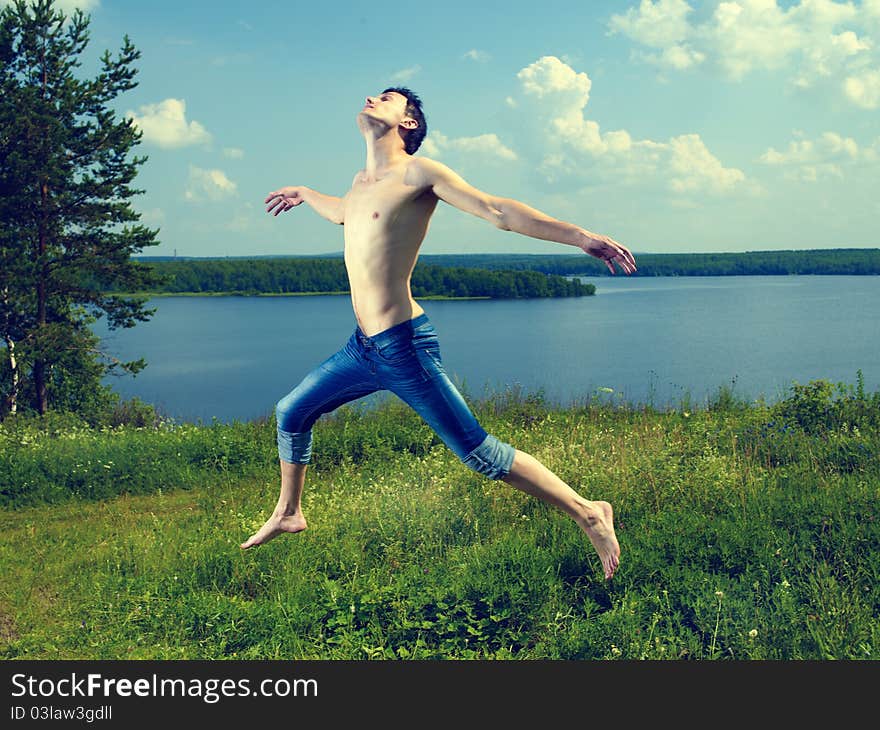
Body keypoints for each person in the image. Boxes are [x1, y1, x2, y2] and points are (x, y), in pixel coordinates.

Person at [241, 87, 636, 580]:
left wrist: (580, 237)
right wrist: (303, 193)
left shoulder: (419, 173)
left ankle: (589, 512)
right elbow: (343, 211)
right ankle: (289, 512)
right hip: (361, 348)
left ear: (407, 124)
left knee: (481, 455)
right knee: (291, 411)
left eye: (386, 98)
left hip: (404, 347)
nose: (371, 98)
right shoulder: (361, 184)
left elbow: (497, 211)